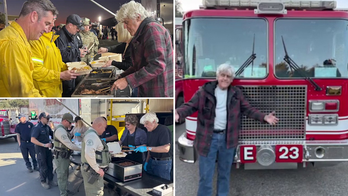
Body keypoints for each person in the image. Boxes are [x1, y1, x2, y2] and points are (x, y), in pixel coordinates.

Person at [175, 64, 279, 196]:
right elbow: (190, 106)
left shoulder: (236, 94)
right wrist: (178, 113)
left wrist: (264, 117)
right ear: (217, 76)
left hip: (228, 140)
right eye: (222, 75)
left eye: (228, 76)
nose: (225, 78)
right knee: (206, 176)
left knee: (224, 174)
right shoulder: (204, 92)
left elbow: (248, 109)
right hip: (208, 139)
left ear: (231, 79)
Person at [111, 1, 173, 97]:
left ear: (138, 17)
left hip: (158, 92)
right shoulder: (143, 32)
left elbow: (157, 65)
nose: (124, 26)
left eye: (126, 22)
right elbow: (139, 65)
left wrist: (128, 80)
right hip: (148, 89)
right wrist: (122, 76)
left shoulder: (152, 30)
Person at [0, 0, 58, 97]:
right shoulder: (14, 43)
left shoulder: (19, 38)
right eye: (47, 23)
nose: (47, 29)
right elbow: (24, 92)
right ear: (34, 16)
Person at [29, 14, 79, 97]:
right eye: (48, 22)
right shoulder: (35, 41)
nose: (52, 24)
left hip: (55, 90)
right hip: (44, 93)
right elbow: (35, 70)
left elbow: (58, 63)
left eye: (54, 21)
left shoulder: (50, 40)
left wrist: (72, 68)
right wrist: (60, 75)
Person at [132, 112, 172, 181]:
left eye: (146, 123)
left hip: (163, 163)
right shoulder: (149, 131)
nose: (144, 126)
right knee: (150, 182)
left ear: (154, 121)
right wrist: (147, 162)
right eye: (144, 124)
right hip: (151, 161)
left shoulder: (163, 130)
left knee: (162, 184)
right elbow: (150, 148)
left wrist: (147, 148)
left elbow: (166, 148)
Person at [55, 14, 87, 97]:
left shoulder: (74, 35)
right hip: (66, 74)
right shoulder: (59, 37)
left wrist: (81, 52)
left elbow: (76, 48)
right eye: (77, 28)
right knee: (68, 94)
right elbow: (61, 56)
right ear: (70, 25)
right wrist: (77, 52)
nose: (78, 30)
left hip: (74, 72)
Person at [53, 113, 81, 196]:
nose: (71, 124)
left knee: (65, 175)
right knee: (62, 176)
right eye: (69, 122)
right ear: (65, 121)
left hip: (64, 156)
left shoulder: (63, 129)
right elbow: (69, 145)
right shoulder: (60, 130)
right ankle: (63, 193)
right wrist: (82, 149)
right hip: (61, 157)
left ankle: (64, 190)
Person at [81, 117, 110, 196]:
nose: (104, 130)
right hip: (92, 171)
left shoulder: (91, 134)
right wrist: (97, 169)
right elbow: (88, 153)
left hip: (91, 169)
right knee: (95, 193)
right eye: (104, 127)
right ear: (99, 125)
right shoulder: (92, 136)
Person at [31, 112, 56, 189]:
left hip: (48, 149)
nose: (48, 120)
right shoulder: (37, 127)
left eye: (49, 118)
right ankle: (43, 181)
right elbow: (32, 140)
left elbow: (53, 135)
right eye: (47, 118)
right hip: (40, 149)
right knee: (43, 166)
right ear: (42, 118)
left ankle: (50, 180)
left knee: (50, 165)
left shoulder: (47, 127)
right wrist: (44, 145)